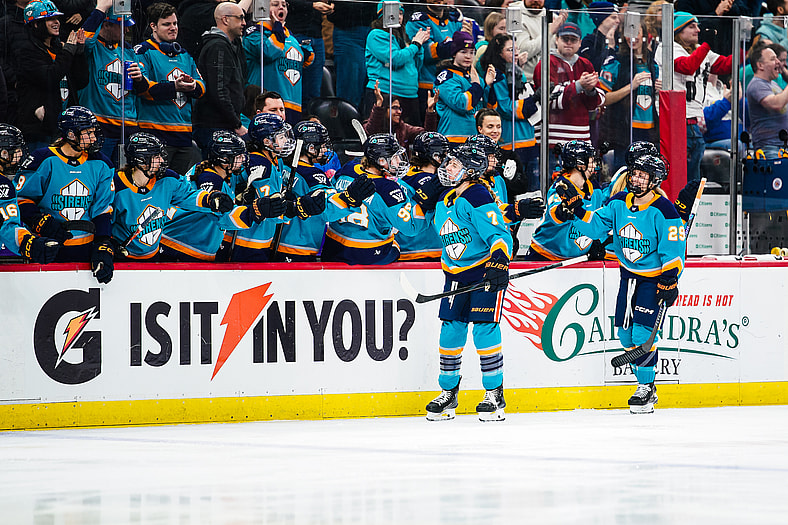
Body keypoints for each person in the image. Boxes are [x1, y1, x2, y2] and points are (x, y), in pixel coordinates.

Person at [554, 154, 686, 414]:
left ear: (654, 179)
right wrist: (577, 208)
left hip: (653, 281)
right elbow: (595, 228)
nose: (635, 179)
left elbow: (674, 249)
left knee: (641, 336)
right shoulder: (618, 203)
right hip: (628, 278)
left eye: (642, 175)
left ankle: (646, 388)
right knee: (625, 335)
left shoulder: (664, 210)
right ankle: (646, 383)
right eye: (634, 173)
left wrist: (670, 280)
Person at [424, 143, 511, 422]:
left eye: (454, 163)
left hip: (483, 272)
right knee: (451, 331)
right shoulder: (445, 197)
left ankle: (494, 394)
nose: (447, 167)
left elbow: (499, 234)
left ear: (471, 170)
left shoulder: (477, 194)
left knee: (485, 330)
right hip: (454, 275)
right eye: (448, 162)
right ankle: (449, 393)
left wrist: (499, 261)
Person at [16, 106, 115, 283]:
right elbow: (22, 198)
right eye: (88, 133)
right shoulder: (43, 159)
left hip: (85, 250)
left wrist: (103, 243)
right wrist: (41, 222)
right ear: (71, 134)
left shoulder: (101, 163)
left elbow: (102, 209)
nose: (93, 138)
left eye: (94, 132)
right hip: (49, 247)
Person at [159, 131, 284, 262]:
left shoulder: (214, 173)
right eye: (239, 156)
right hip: (180, 248)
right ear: (224, 159)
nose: (244, 159)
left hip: (188, 246)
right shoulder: (211, 180)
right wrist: (254, 212)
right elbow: (222, 217)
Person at [111, 132, 238, 260]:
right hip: (122, 259)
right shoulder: (116, 186)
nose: (161, 160)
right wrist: (104, 245)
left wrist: (210, 199)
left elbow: (188, 195)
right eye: (156, 156)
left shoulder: (167, 178)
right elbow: (104, 219)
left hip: (153, 257)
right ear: (141, 159)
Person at [276, 120, 375, 261]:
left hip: (276, 242)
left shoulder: (282, 167)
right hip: (300, 247)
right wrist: (349, 198)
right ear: (310, 148)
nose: (325, 150)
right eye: (322, 146)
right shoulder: (313, 175)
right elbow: (328, 209)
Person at [322, 133, 428, 265]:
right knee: (395, 245)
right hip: (368, 255)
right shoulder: (388, 188)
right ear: (381, 161)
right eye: (395, 158)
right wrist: (426, 204)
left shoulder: (347, 169)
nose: (399, 162)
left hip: (333, 248)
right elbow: (411, 227)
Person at [655, 12, 732, 182]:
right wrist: (707, 45)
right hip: (675, 121)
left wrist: (744, 49)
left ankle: (689, 206)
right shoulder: (666, 48)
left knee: (693, 179)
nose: (697, 30)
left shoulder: (699, 49)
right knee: (680, 178)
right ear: (678, 30)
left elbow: (725, 65)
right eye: (691, 26)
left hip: (693, 121)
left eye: (697, 26)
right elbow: (686, 66)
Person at [134, 2, 205, 176]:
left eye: (175, 23)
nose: (173, 28)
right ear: (153, 26)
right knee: (155, 184)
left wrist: (192, 85)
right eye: (167, 24)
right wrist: (175, 87)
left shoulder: (183, 54)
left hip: (184, 136)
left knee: (177, 186)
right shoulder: (143, 51)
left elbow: (202, 87)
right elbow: (145, 89)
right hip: (155, 135)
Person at [79, 0, 149, 164]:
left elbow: (144, 89)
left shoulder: (129, 50)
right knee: (98, 170)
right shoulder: (94, 47)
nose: (126, 29)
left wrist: (139, 79)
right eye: (121, 25)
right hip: (99, 126)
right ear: (106, 25)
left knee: (123, 176)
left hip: (127, 126)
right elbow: (84, 39)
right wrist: (101, 9)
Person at [16, 0, 87, 151]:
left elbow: (81, 81)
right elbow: (50, 77)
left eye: (57, 18)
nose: (57, 22)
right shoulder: (27, 50)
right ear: (36, 24)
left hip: (65, 127)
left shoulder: (59, 48)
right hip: (40, 131)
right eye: (50, 19)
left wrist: (79, 53)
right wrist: (68, 52)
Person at [525, 140, 609, 261]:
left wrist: (597, 241)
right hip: (546, 255)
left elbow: (597, 219)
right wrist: (563, 211)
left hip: (577, 258)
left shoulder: (595, 189)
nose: (594, 164)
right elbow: (556, 215)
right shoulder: (561, 187)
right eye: (591, 160)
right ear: (580, 165)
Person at [533, 22, 604, 155]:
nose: (569, 43)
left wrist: (590, 90)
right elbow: (549, 100)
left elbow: (599, 101)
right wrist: (579, 86)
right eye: (565, 39)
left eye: (573, 40)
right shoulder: (546, 63)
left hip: (581, 138)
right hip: (552, 139)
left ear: (580, 43)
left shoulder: (586, 64)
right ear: (556, 40)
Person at [480, 34, 540, 192]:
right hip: (512, 140)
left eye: (517, 48)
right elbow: (505, 108)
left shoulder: (517, 72)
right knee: (516, 188)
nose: (515, 52)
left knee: (533, 190)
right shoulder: (498, 76)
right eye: (510, 49)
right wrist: (532, 100)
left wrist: (537, 98)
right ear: (499, 52)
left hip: (529, 137)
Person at [599, 21, 659, 171]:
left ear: (644, 35)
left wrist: (659, 90)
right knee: (623, 177)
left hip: (650, 132)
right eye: (627, 32)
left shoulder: (653, 62)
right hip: (624, 132)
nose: (632, 37)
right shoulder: (615, 61)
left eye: (636, 32)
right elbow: (602, 98)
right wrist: (631, 86)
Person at [244, 0, 313, 125]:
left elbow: (306, 61)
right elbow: (268, 53)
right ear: (263, 9)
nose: (281, 7)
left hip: (291, 107)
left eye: (284, 5)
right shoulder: (255, 33)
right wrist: (277, 32)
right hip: (265, 105)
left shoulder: (290, 37)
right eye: (275, 4)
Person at [193, 1, 248, 156]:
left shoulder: (229, 45)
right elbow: (218, 90)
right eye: (240, 18)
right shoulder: (218, 46)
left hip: (222, 123)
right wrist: (236, 124)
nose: (244, 23)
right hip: (214, 125)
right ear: (225, 19)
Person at [0, 123, 60, 263]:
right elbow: (7, 225)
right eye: (16, 149)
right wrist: (29, 243)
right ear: (3, 153)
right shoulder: (3, 185)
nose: (20, 154)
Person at [364, 1, 429, 125]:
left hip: (410, 95)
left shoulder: (404, 37)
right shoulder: (376, 35)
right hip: (385, 93)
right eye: (394, 12)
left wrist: (419, 47)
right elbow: (395, 59)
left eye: (400, 13)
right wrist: (416, 44)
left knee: (411, 140)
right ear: (382, 15)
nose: (398, 16)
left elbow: (416, 66)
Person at [405, 0, 466, 122]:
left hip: (452, 85)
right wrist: (457, 44)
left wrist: (455, 44)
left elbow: (465, 48)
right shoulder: (418, 19)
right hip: (426, 85)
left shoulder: (454, 18)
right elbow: (427, 53)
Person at [396, 131, 448, 260]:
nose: (446, 158)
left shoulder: (403, 174)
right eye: (444, 153)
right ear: (435, 156)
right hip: (428, 249)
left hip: (403, 246)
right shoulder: (433, 182)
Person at [364, 80, 439, 156]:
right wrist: (379, 105)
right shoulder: (372, 125)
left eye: (399, 108)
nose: (399, 112)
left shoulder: (404, 128)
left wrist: (430, 110)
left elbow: (427, 136)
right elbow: (371, 132)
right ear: (384, 109)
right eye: (395, 108)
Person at [327, 0, 376, 111]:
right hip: (348, 32)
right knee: (350, 90)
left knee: (372, 86)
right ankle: (347, 124)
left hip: (372, 29)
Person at [436, 31, 485, 143]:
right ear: (454, 54)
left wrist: (489, 85)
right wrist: (476, 86)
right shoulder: (446, 77)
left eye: (472, 52)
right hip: (451, 139)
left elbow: (488, 108)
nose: (468, 56)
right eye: (463, 52)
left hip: (473, 139)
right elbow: (461, 103)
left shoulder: (476, 77)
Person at [286, 0, 330, 111]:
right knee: (293, 84)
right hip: (296, 34)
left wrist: (331, 5)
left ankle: (311, 119)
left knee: (314, 89)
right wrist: (312, 5)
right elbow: (286, 3)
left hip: (317, 35)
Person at [745, 45, 788, 158]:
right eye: (773, 59)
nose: (778, 62)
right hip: (770, 148)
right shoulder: (757, 84)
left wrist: (783, 71)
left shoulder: (772, 84)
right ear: (760, 65)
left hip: (781, 147)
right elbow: (776, 104)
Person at [510, 0, 568, 81]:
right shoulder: (515, 16)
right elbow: (522, 51)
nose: (536, 0)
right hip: (528, 80)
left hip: (552, 78)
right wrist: (549, 32)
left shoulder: (552, 17)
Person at [579, 1, 619, 72]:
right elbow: (592, 67)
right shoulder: (589, 41)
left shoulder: (619, 39)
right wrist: (610, 47)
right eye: (613, 17)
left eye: (618, 18)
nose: (618, 21)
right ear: (601, 19)